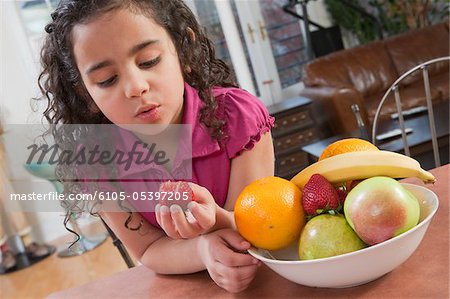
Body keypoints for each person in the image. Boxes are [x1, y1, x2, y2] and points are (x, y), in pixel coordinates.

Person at [38, 0, 274, 293]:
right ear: (85, 94)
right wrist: (201, 248)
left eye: (149, 61)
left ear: (183, 51)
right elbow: (148, 250)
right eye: (107, 79)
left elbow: (264, 225)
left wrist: (214, 219)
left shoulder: (237, 116)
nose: (136, 87)